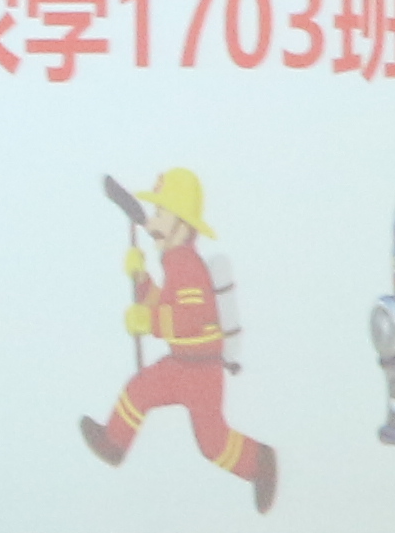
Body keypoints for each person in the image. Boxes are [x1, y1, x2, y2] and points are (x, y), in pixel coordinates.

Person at [74, 168, 277, 512]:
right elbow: (162, 302)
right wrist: (141, 278)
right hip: (181, 365)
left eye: (160, 213)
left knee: (212, 442)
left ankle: (259, 462)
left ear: (182, 224)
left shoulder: (187, 266)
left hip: (201, 371)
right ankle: (114, 442)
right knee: (140, 389)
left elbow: (187, 319)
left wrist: (147, 321)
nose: (152, 223)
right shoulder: (174, 262)